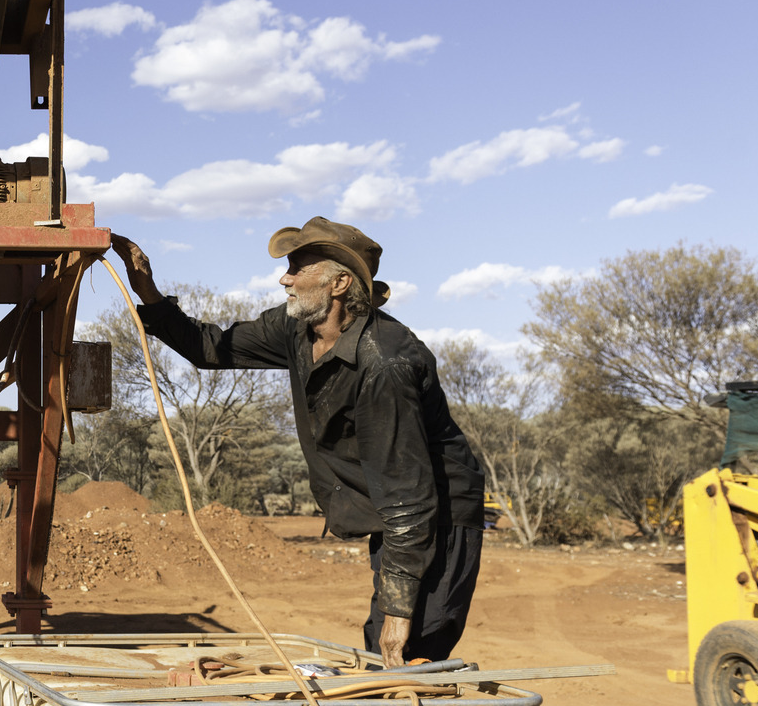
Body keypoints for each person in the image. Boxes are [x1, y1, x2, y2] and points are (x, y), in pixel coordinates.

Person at [113, 217, 486, 666]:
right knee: (383, 654)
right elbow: (210, 348)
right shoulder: (297, 330)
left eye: (297, 268)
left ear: (340, 284)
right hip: (399, 512)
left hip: (436, 516)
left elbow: (410, 496)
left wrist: (400, 612)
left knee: (409, 652)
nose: (284, 278)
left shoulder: (385, 363)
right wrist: (148, 291)